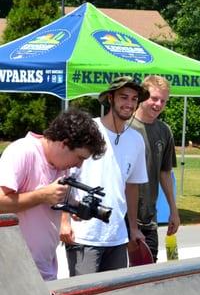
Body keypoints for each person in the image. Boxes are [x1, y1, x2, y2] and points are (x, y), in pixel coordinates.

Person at [0, 109, 106, 280]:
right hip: (15, 273)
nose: (79, 165)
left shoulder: (62, 165)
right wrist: (42, 196)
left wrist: (78, 207)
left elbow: (51, 203)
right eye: (79, 157)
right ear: (64, 143)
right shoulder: (23, 152)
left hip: (44, 268)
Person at [63, 76, 149, 275]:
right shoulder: (89, 130)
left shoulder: (136, 140)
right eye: (123, 97)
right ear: (111, 98)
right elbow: (66, 176)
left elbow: (132, 186)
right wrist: (64, 221)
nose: (129, 104)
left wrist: (133, 228)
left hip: (117, 236)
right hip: (84, 234)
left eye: (134, 99)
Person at [131, 75, 180, 262]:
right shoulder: (124, 126)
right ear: (143, 96)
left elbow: (165, 172)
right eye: (154, 98)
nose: (158, 104)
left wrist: (173, 210)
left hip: (149, 219)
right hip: (124, 219)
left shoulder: (164, 131)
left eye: (163, 101)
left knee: (148, 274)